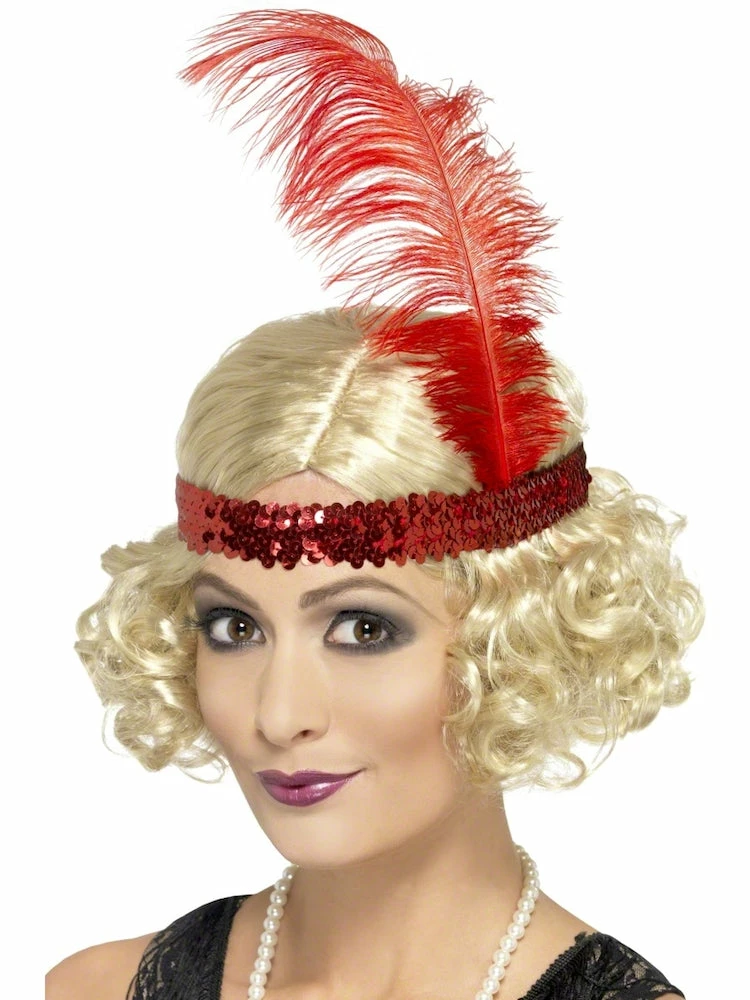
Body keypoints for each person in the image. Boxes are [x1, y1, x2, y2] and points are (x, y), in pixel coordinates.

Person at [46, 10, 702, 1000]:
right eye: (233, 626)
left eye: (362, 627)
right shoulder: (95, 987)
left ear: (515, 638)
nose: (278, 715)